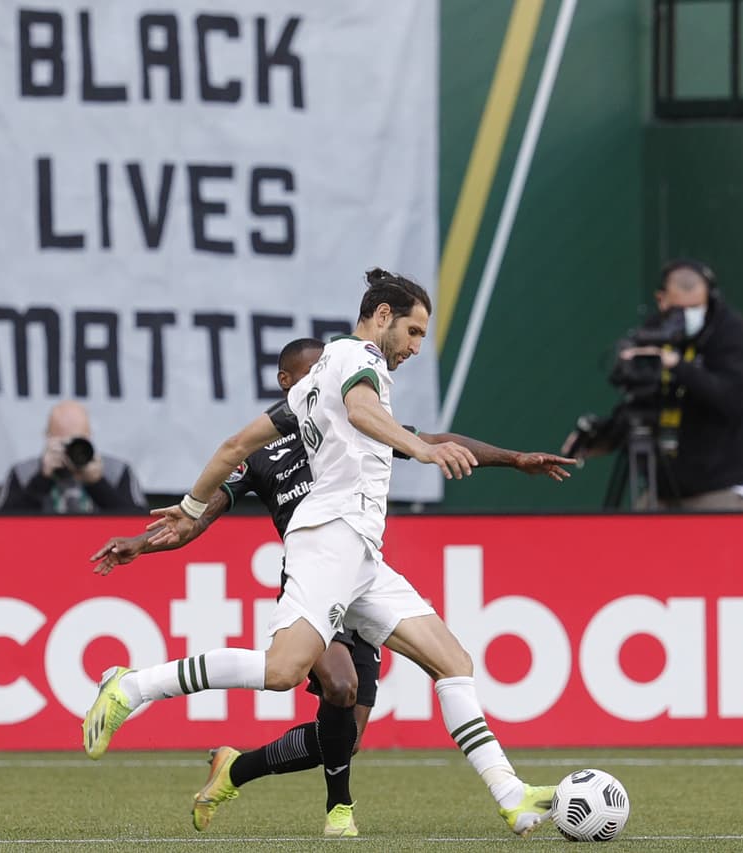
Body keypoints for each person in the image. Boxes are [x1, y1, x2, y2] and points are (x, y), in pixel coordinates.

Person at [81, 268, 574, 839]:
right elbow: (364, 412)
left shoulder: (309, 387)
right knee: (282, 670)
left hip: (362, 552)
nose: (416, 347)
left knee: (453, 663)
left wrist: (191, 506)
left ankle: (511, 796)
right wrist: (419, 448)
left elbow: (234, 445)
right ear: (382, 316)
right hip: (330, 536)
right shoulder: (356, 359)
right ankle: (130, 687)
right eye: (413, 331)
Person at [565, 259, 743, 510]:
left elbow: (732, 399)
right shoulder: (656, 331)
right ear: (662, 300)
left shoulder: (731, 334)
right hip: (666, 487)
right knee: (632, 542)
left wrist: (677, 365)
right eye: (679, 310)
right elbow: (642, 400)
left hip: (721, 488)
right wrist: (607, 435)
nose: (686, 317)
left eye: (696, 308)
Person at [0, 400, 148, 514]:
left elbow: (138, 526)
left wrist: (97, 484)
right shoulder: (23, 473)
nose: (69, 452)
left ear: (89, 436)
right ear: (47, 436)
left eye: (77, 442)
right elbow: (0, 526)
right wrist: (42, 480)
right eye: (62, 443)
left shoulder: (116, 471)